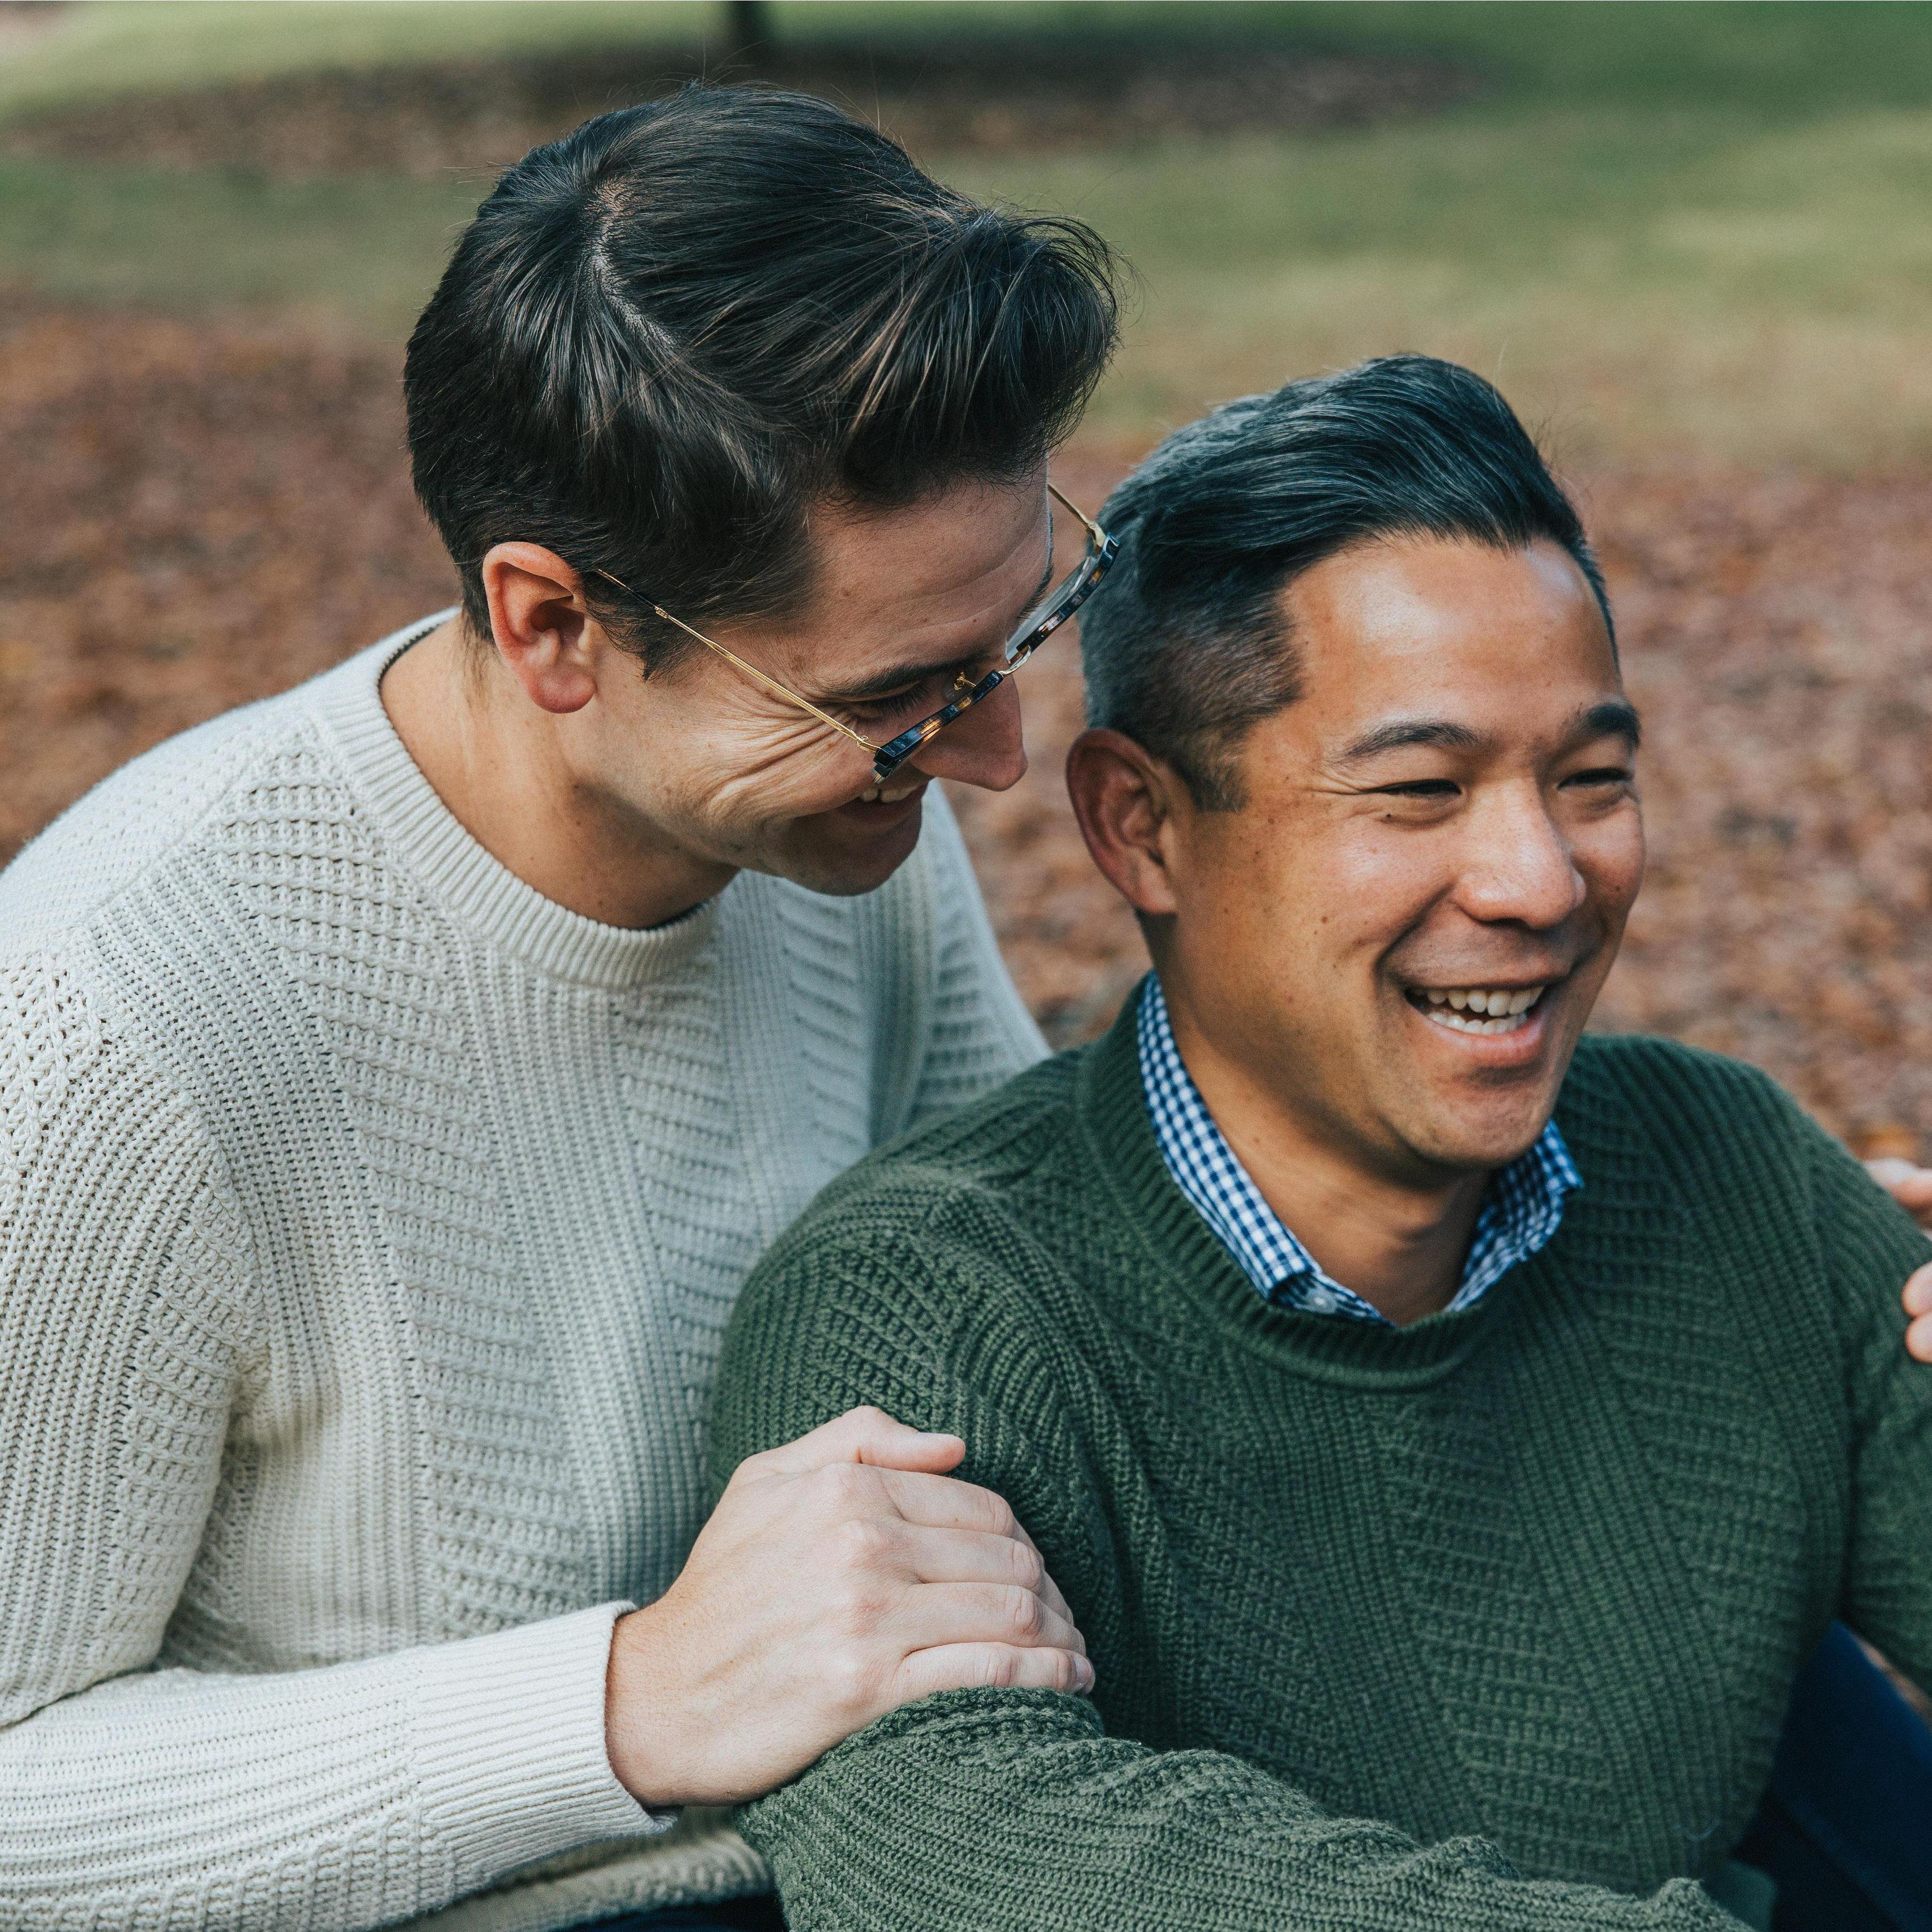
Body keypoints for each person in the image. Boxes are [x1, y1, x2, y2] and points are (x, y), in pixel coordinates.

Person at [0, 88, 1121, 1932]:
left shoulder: (845, 824)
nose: (995, 760)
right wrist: (622, 1698)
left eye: (1016, 641)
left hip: (902, 1842)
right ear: (550, 626)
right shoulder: (111, 1027)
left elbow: (1027, 1289)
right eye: (906, 694)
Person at [709, 356, 1932, 1932]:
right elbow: (942, 1836)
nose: (1541, 878)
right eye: (1420, 791)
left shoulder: (1726, 1170)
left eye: (1593, 778)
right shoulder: (924, 1315)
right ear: (1139, 823)